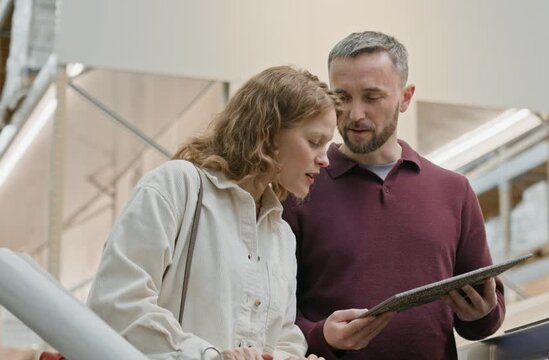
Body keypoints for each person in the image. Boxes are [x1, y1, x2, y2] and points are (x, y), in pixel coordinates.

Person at [87, 66, 340, 360]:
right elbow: (115, 304)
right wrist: (209, 356)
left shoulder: (281, 234)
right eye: (314, 142)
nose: (325, 160)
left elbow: (285, 336)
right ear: (268, 133)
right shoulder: (176, 186)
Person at [282, 31, 505, 359]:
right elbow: (269, 314)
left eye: (372, 97)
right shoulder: (300, 187)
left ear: (405, 97)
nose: (355, 113)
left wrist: (481, 314)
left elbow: (486, 318)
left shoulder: (453, 191)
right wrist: (320, 335)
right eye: (342, 97)